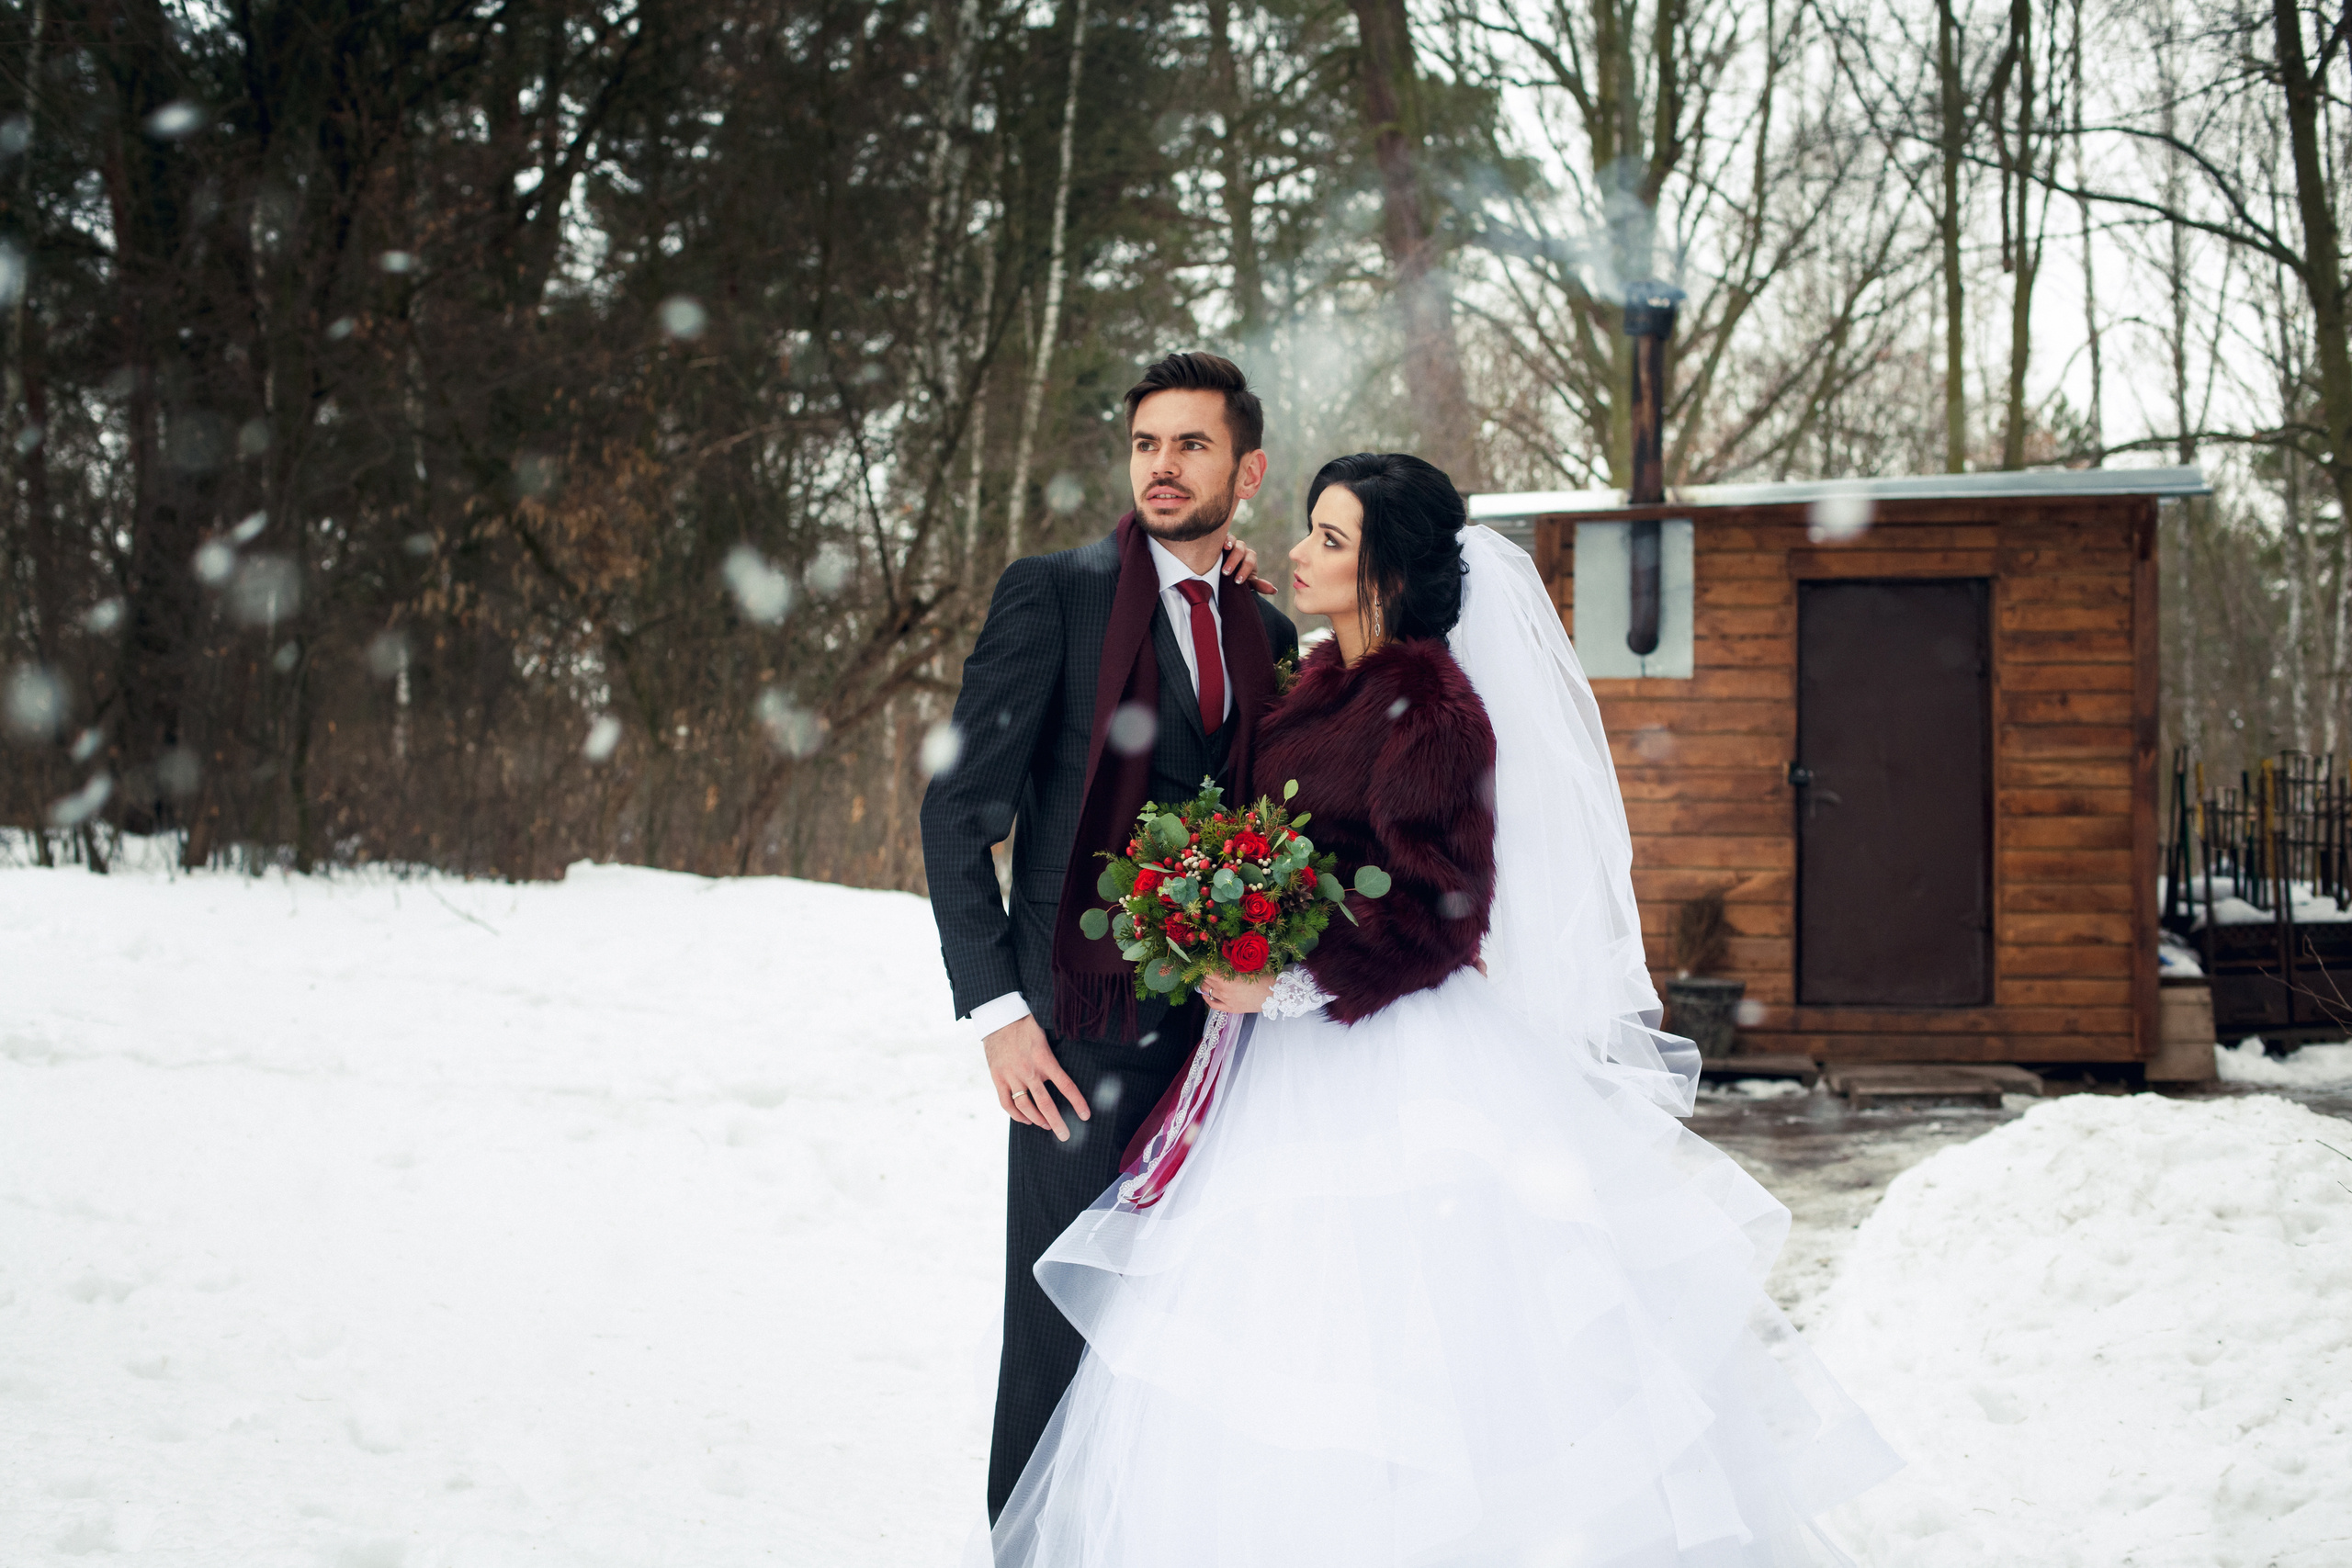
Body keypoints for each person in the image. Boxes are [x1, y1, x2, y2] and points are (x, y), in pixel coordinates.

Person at [985, 453, 1901, 1565]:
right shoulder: (1317, 679)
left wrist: (1284, 980)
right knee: (1282, 1353)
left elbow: (1438, 917)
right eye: (1309, 531)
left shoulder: (1434, 711)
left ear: (1386, 572)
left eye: (1329, 538)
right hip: (1273, 1067)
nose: (1301, 553)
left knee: (1415, 1353)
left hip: (1385, 1052)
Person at [920, 352, 1301, 1521]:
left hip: (1220, 1045)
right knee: (1056, 1329)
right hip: (1068, 1031)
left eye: (1191, 445)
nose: (1163, 467)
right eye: (1146, 444)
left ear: (1248, 469)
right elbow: (958, 806)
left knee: (1182, 1333)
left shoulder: (1265, 628)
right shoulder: (1056, 593)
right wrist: (996, 1013)